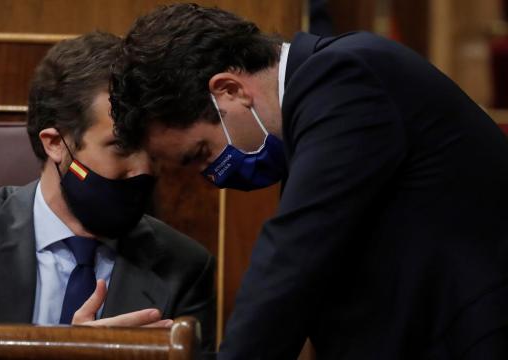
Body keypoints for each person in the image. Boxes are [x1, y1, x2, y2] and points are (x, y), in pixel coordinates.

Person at [109, 4, 508, 359]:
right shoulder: (317, 108)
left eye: (200, 154)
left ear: (228, 90)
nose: (212, 175)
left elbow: (293, 259)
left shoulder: (344, 77)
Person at [0, 31, 215, 351]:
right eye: (120, 147)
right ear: (55, 144)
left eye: (151, 150)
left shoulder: (183, 265)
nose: (144, 170)